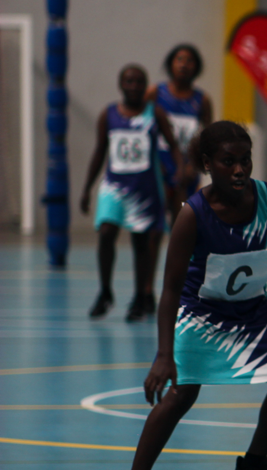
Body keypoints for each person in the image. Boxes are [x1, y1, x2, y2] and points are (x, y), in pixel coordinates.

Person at [113, 121, 267, 470]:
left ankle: (253, 468)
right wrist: (163, 354)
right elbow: (170, 289)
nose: (240, 170)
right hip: (202, 313)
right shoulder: (193, 215)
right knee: (181, 395)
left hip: (253, 310)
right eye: (229, 162)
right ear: (208, 164)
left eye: (245, 160)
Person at [79, 64, 183, 321]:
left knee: (141, 243)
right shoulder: (109, 114)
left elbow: (173, 145)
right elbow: (99, 152)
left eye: (139, 82)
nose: (134, 86)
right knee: (106, 233)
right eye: (129, 81)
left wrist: (180, 170)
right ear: (121, 84)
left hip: (144, 188)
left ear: (145, 86)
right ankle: (105, 292)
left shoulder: (154, 113)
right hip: (113, 186)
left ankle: (139, 296)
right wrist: (86, 189)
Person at [151, 43, 213, 211]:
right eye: (179, 59)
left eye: (190, 61)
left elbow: (207, 138)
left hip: (186, 168)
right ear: (171, 63)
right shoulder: (156, 92)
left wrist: (194, 166)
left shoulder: (202, 100)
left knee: (182, 215)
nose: (184, 64)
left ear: (197, 67)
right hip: (159, 164)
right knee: (154, 222)